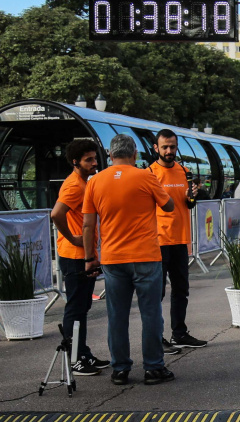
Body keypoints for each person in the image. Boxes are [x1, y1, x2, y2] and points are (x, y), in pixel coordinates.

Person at [82, 134, 176, 386]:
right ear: (134, 154)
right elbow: (169, 207)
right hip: (146, 256)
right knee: (151, 314)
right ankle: (153, 368)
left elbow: (88, 224)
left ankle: (120, 369)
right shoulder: (146, 176)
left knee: (117, 315)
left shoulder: (94, 182)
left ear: (110, 155)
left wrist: (90, 258)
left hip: (112, 259)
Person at [49, 139, 109, 376]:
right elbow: (56, 214)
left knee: (82, 306)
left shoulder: (84, 182)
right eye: (88, 160)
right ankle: (75, 359)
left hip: (83, 254)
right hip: (75, 256)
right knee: (75, 308)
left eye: (94, 158)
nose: (94, 163)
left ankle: (82, 354)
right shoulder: (74, 185)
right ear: (76, 162)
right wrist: (72, 238)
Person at [149, 129, 208, 351]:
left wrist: (192, 196)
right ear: (156, 148)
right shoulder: (149, 173)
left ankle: (179, 334)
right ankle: (156, 338)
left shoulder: (185, 172)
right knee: (157, 293)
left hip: (180, 239)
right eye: (164, 147)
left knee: (181, 289)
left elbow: (189, 204)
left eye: (172, 147)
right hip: (158, 240)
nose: (169, 151)